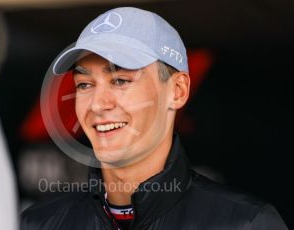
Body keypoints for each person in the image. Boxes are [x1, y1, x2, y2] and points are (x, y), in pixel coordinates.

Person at [21, 7, 288, 229]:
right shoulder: (37, 224)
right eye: (84, 85)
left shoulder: (245, 223)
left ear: (177, 91)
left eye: (120, 80)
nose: (98, 104)